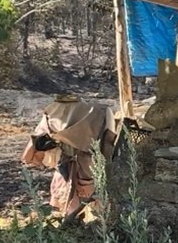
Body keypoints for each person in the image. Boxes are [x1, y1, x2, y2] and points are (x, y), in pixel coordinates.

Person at [21, 94, 117, 222]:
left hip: (65, 164)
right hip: (91, 164)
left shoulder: (51, 112)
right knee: (94, 198)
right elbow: (109, 141)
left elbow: (37, 144)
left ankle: (74, 225)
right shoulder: (99, 111)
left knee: (71, 198)